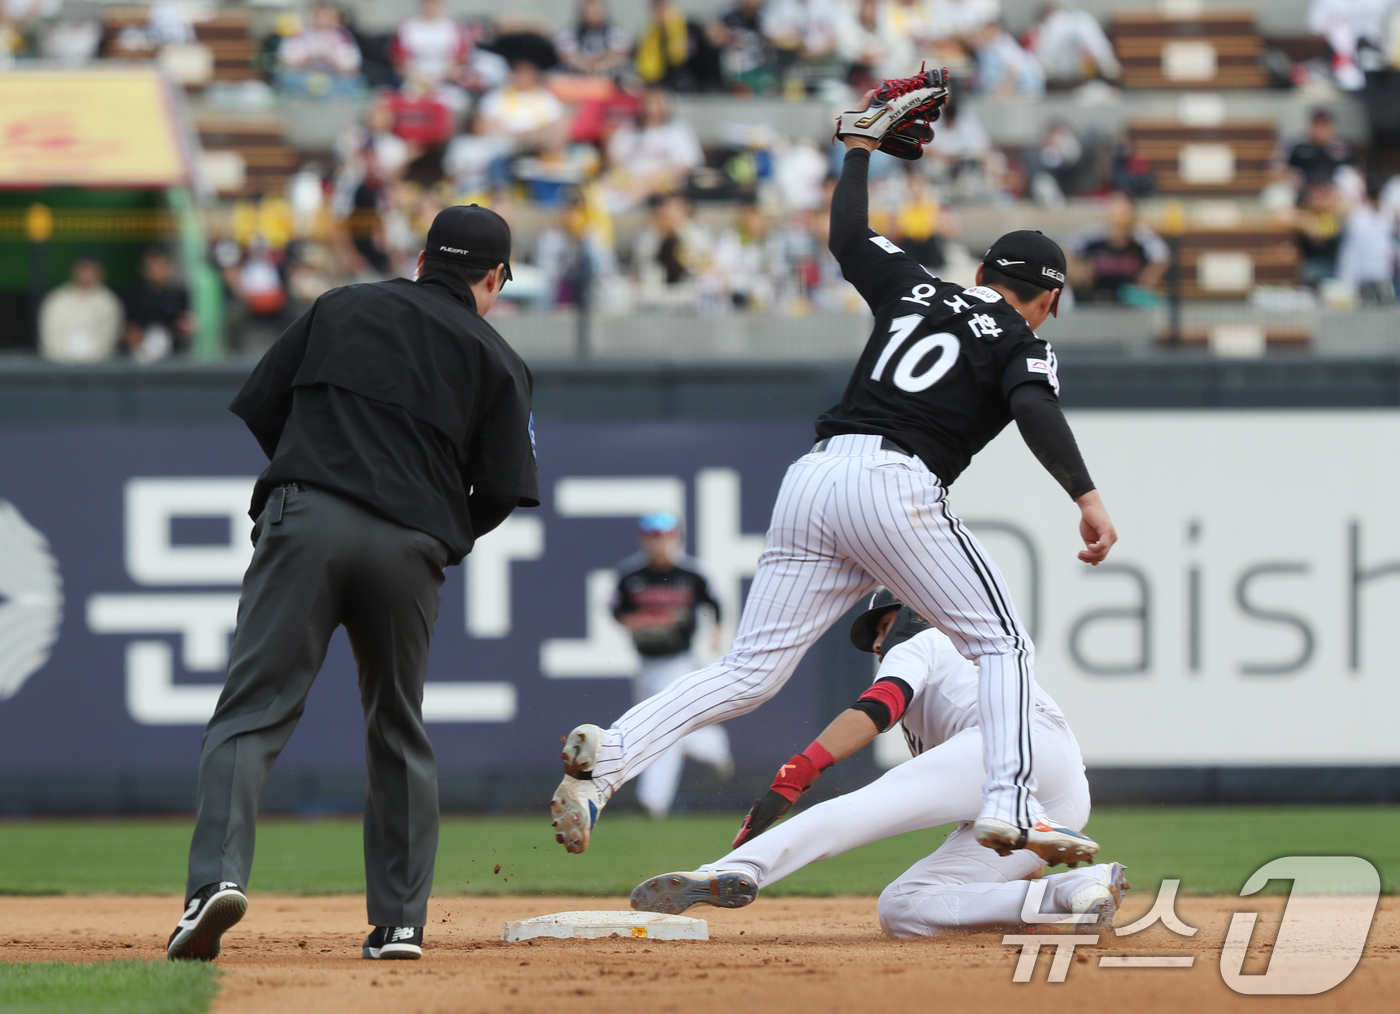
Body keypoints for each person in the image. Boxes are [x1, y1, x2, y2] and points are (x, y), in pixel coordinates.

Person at [551, 79, 1117, 870]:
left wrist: (858, 150)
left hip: (815, 477)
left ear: (985, 268)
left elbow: (849, 235)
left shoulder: (919, 287)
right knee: (1005, 646)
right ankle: (1009, 802)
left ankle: (609, 759)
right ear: (1048, 298)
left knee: (748, 670)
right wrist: (1085, 496)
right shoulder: (1022, 337)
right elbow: (1033, 407)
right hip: (897, 484)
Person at [166, 205, 538, 964]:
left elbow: (263, 403)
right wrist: (440, 535)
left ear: (424, 257)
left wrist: (316, 469)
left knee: (251, 712)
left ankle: (214, 886)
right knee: (397, 726)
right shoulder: (498, 357)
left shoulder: (344, 305)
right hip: (410, 542)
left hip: (307, 516)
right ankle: (400, 924)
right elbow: (503, 488)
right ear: (494, 276)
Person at [631, 590, 1130, 937]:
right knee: (906, 909)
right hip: (1060, 795)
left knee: (859, 809)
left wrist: (796, 776)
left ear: (912, 616)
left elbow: (879, 705)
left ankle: (733, 869)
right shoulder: (965, 668)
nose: (876, 643)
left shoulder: (928, 640)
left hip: (1008, 744)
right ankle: (1078, 889)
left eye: (883, 626)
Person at [611, 513, 731, 818]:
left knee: (662, 728)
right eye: (652, 537)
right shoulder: (631, 575)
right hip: (646, 661)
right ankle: (713, 745)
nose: (658, 543)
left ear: (675, 538)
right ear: (643, 539)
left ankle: (653, 800)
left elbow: (715, 602)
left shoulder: (690, 574)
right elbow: (617, 610)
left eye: (663, 536)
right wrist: (640, 622)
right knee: (664, 729)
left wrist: (716, 631)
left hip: (679, 661)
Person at [605, 87, 704, 207]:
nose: (656, 107)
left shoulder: (678, 130)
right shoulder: (630, 127)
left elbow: (689, 164)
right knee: (602, 186)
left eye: (660, 102)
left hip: (663, 182)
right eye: (652, 102)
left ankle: (618, 207)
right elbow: (615, 159)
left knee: (649, 185)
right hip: (630, 179)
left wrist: (655, 175)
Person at [1066, 191, 1169, 304]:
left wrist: (1144, 283)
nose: (1119, 217)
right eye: (1116, 210)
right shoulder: (1094, 235)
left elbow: (1162, 258)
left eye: (1124, 211)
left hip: (1129, 300)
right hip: (1094, 299)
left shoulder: (1142, 237)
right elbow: (1066, 252)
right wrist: (1081, 275)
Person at [38, 253, 124, 363]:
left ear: (101, 272)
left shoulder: (109, 302)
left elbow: (110, 339)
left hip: (98, 368)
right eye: (83, 269)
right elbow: (49, 339)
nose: (86, 274)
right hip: (60, 367)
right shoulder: (57, 299)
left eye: (92, 269)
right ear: (74, 271)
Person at [276, 2, 363, 98]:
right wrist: (306, 60)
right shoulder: (299, 34)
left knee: (354, 83)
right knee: (287, 79)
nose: (323, 20)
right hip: (304, 77)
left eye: (327, 16)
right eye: (320, 16)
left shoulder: (343, 36)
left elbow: (352, 65)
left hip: (334, 79)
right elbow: (285, 60)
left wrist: (332, 61)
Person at [123, 247, 193, 361]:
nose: (157, 272)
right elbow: (131, 330)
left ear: (170, 268)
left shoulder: (180, 295)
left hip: (175, 356)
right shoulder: (135, 296)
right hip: (142, 355)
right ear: (144, 271)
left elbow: (186, 326)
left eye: (161, 266)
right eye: (152, 268)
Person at [1337, 171, 1398, 302]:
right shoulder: (1357, 215)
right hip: (1362, 273)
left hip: (1384, 273)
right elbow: (1350, 249)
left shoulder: (1388, 212)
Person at [1280, 108, 1357, 192]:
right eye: (1317, 125)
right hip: (1305, 190)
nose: (1320, 130)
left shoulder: (1343, 147)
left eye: (1324, 125)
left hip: (1335, 190)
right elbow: (1287, 169)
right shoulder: (1300, 147)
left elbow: (1355, 170)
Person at [555, 0, 632, 78]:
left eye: (595, 8)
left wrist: (600, 65)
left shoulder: (617, 32)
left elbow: (619, 54)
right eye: (588, 9)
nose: (592, 13)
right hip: (577, 79)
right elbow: (566, 56)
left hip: (609, 78)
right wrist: (588, 66)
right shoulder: (569, 33)